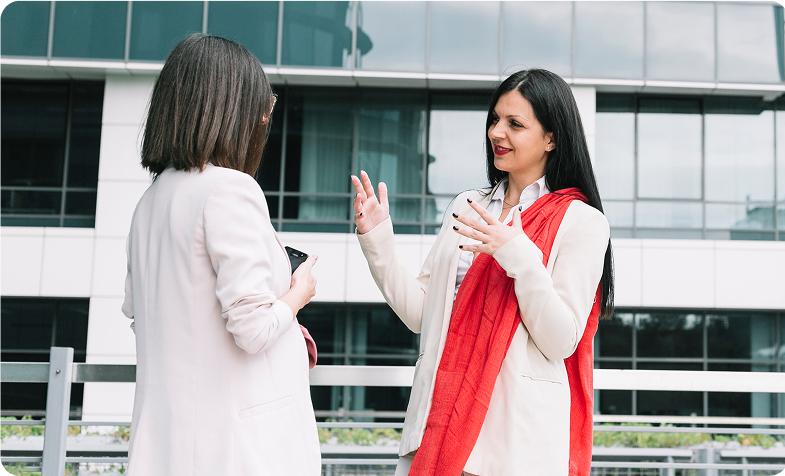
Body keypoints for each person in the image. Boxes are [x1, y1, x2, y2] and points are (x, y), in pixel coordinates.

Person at [351, 69, 614, 475]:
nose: (497, 132)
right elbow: (422, 313)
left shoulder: (582, 222)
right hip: (438, 422)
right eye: (494, 119)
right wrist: (378, 240)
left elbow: (561, 339)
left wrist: (519, 257)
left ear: (551, 138)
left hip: (513, 443)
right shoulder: (467, 205)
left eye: (515, 124)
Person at [122, 34, 320, 475]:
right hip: (238, 447)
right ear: (230, 109)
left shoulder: (150, 201)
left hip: (169, 444)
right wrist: (297, 295)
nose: (266, 116)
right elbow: (251, 329)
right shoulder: (230, 189)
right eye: (261, 103)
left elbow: (144, 317)